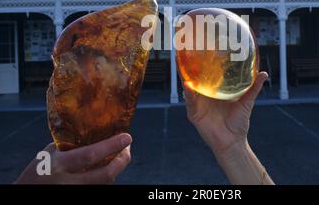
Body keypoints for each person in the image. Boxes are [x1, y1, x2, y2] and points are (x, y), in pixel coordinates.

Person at [15, 71, 273, 185]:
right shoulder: (44, 162)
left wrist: (233, 147)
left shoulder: (45, 161)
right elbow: (46, 162)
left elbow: (46, 162)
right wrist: (32, 178)